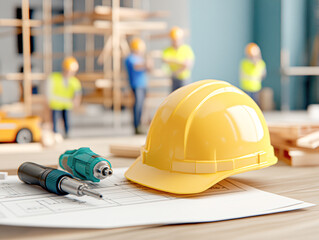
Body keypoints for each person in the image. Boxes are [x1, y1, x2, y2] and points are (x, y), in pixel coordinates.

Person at [47, 57, 82, 137]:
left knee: (66, 120)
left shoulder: (74, 81)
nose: (70, 73)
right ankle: (55, 134)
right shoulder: (54, 78)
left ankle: (67, 133)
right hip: (55, 105)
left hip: (67, 105)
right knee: (55, 121)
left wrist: (76, 102)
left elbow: (77, 94)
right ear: (64, 69)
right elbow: (49, 92)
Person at [125, 38, 151, 134]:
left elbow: (148, 68)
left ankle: (141, 124)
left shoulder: (140, 58)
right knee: (137, 106)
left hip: (143, 85)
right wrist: (146, 63)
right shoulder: (130, 58)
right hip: (136, 85)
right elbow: (137, 66)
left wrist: (148, 64)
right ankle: (136, 126)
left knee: (142, 106)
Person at [162, 26, 195, 92]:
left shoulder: (186, 49)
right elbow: (165, 60)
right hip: (174, 79)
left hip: (184, 79)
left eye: (177, 39)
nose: (175, 41)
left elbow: (188, 65)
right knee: (174, 99)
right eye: (174, 39)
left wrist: (176, 68)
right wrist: (181, 62)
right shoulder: (167, 50)